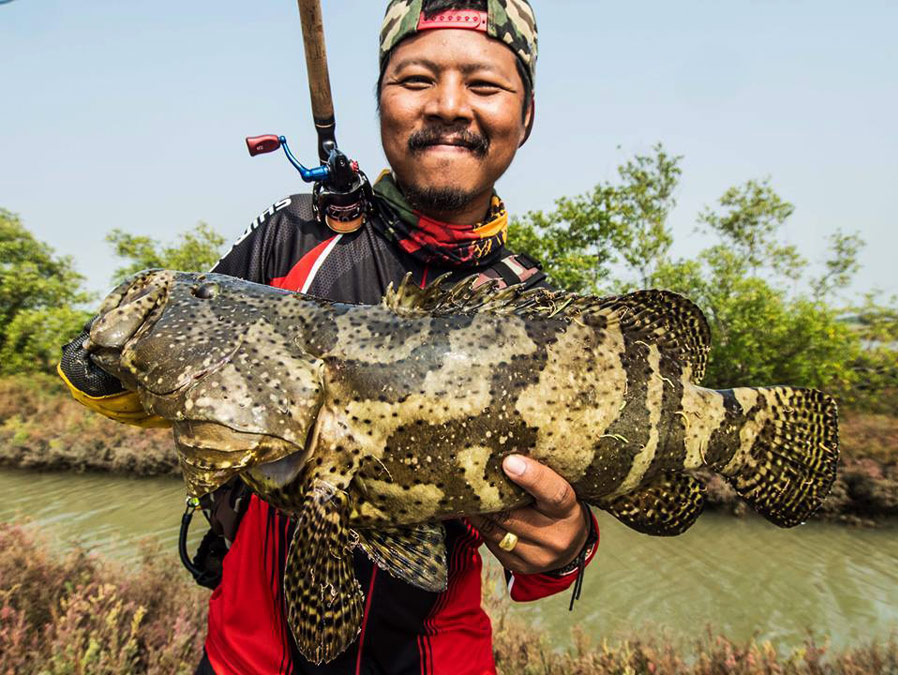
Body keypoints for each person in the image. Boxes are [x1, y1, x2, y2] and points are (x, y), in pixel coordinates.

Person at [60, 1, 599, 673]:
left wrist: (569, 543)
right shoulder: (295, 237)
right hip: (244, 661)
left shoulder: (534, 311)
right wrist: (111, 355)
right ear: (380, 102)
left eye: (485, 85)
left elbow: (546, 557)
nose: (449, 105)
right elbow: (138, 384)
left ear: (527, 116)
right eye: (415, 79)